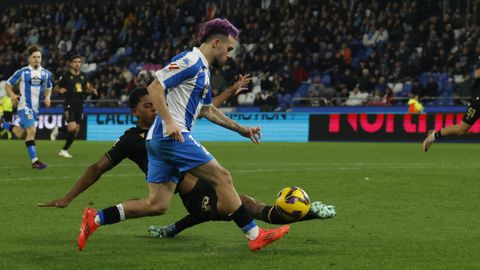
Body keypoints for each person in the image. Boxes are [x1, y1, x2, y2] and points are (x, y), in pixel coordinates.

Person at [76, 18, 289, 252]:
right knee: (221, 176)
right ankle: (254, 234)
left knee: (156, 204)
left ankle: (95, 218)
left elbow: (208, 110)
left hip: (159, 140)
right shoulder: (190, 61)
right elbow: (154, 87)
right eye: (229, 49)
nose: (230, 55)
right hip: (171, 136)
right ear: (216, 42)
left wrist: (242, 130)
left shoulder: (204, 71)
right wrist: (169, 121)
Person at [38, 88, 335, 240]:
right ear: (133, 111)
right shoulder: (132, 140)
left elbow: (205, 108)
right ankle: (306, 215)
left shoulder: (170, 124)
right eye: (147, 106)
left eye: (156, 104)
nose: (154, 109)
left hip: (206, 185)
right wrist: (68, 197)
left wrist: (232, 97)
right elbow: (96, 168)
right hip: (195, 194)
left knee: (245, 205)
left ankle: (305, 212)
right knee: (252, 209)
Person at [1, 45, 52, 169]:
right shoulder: (23, 72)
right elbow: (8, 84)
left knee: (21, 134)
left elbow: (49, 87)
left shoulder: (46, 74)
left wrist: (47, 97)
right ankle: (35, 161)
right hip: (24, 106)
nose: (36, 59)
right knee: (32, 130)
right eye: (34, 57)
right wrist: (13, 95)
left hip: (35, 109)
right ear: (29, 59)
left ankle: (4, 124)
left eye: (39, 57)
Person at [422, 58, 480, 151]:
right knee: (461, 129)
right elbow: (477, 73)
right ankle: (432, 137)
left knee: (461, 129)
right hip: (477, 103)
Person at [50, 55, 97, 158]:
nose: (77, 63)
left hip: (79, 105)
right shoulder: (66, 76)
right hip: (69, 104)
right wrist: (59, 90)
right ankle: (59, 133)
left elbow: (88, 87)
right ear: (71, 64)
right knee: (72, 127)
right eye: (75, 61)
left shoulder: (84, 76)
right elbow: (55, 88)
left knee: (75, 130)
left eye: (79, 62)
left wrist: (92, 90)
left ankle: (63, 149)